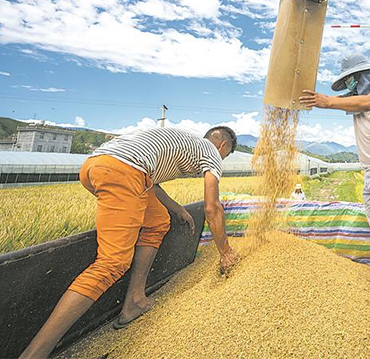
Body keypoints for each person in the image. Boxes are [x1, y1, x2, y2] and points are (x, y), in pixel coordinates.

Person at [20, 126, 240, 359]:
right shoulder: (212, 151)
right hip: (124, 172)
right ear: (222, 146)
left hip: (97, 165)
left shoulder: (185, 142)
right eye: (224, 156)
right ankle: (34, 354)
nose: (221, 160)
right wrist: (225, 252)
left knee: (158, 222)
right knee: (112, 263)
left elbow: (151, 184)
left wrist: (177, 210)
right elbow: (212, 207)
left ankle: (134, 300)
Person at [300, 54, 370, 316]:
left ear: (361, 76)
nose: (349, 86)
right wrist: (320, 102)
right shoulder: (355, 102)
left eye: (350, 80)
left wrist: (326, 101)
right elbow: (352, 104)